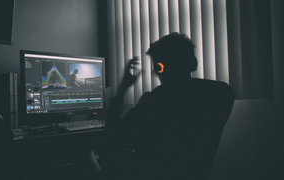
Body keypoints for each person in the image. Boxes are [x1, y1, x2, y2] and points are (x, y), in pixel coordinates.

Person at [100, 32, 234, 180]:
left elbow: (113, 135)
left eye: (157, 67)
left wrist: (122, 89)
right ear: (193, 63)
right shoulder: (221, 93)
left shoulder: (155, 101)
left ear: (159, 69)